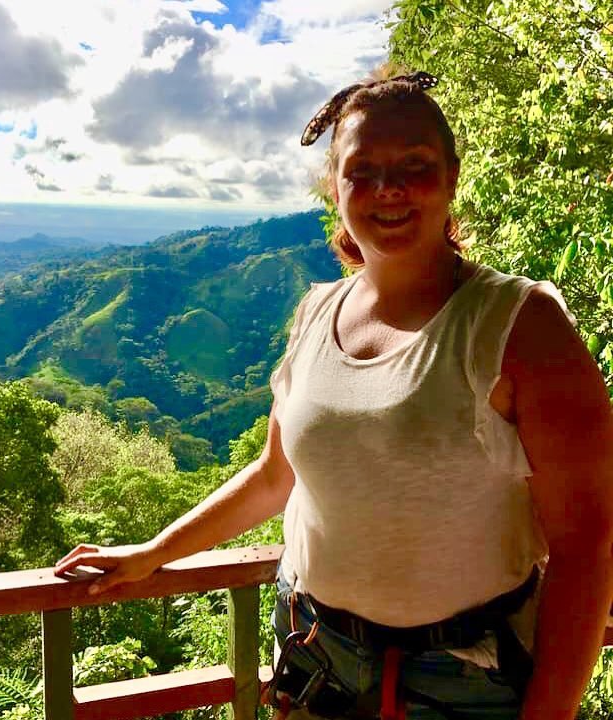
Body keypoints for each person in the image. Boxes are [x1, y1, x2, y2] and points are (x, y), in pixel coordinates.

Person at [55, 68, 613, 720]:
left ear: (452, 178)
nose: (389, 187)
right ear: (335, 189)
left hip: (463, 676)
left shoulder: (518, 325)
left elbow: (587, 545)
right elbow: (273, 477)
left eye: (415, 164)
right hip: (314, 655)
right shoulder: (316, 314)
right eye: (362, 170)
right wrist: (154, 553)